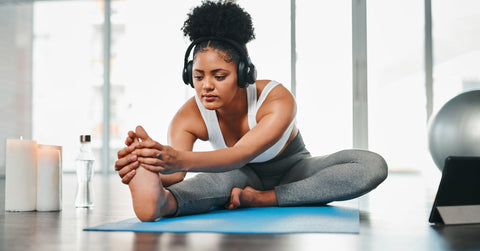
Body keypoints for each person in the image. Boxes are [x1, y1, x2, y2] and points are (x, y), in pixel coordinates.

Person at [114, 0, 388, 222]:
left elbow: (238, 154)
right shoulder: (188, 116)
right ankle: (161, 203)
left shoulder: (276, 99)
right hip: (240, 177)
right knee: (216, 182)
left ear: (243, 73)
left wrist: (178, 158)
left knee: (371, 165)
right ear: (189, 75)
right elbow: (176, 174)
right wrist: (147, 165)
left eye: (219, 76)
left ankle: (264, 197)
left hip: (295, 169)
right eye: (198, 77)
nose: (206, 86)